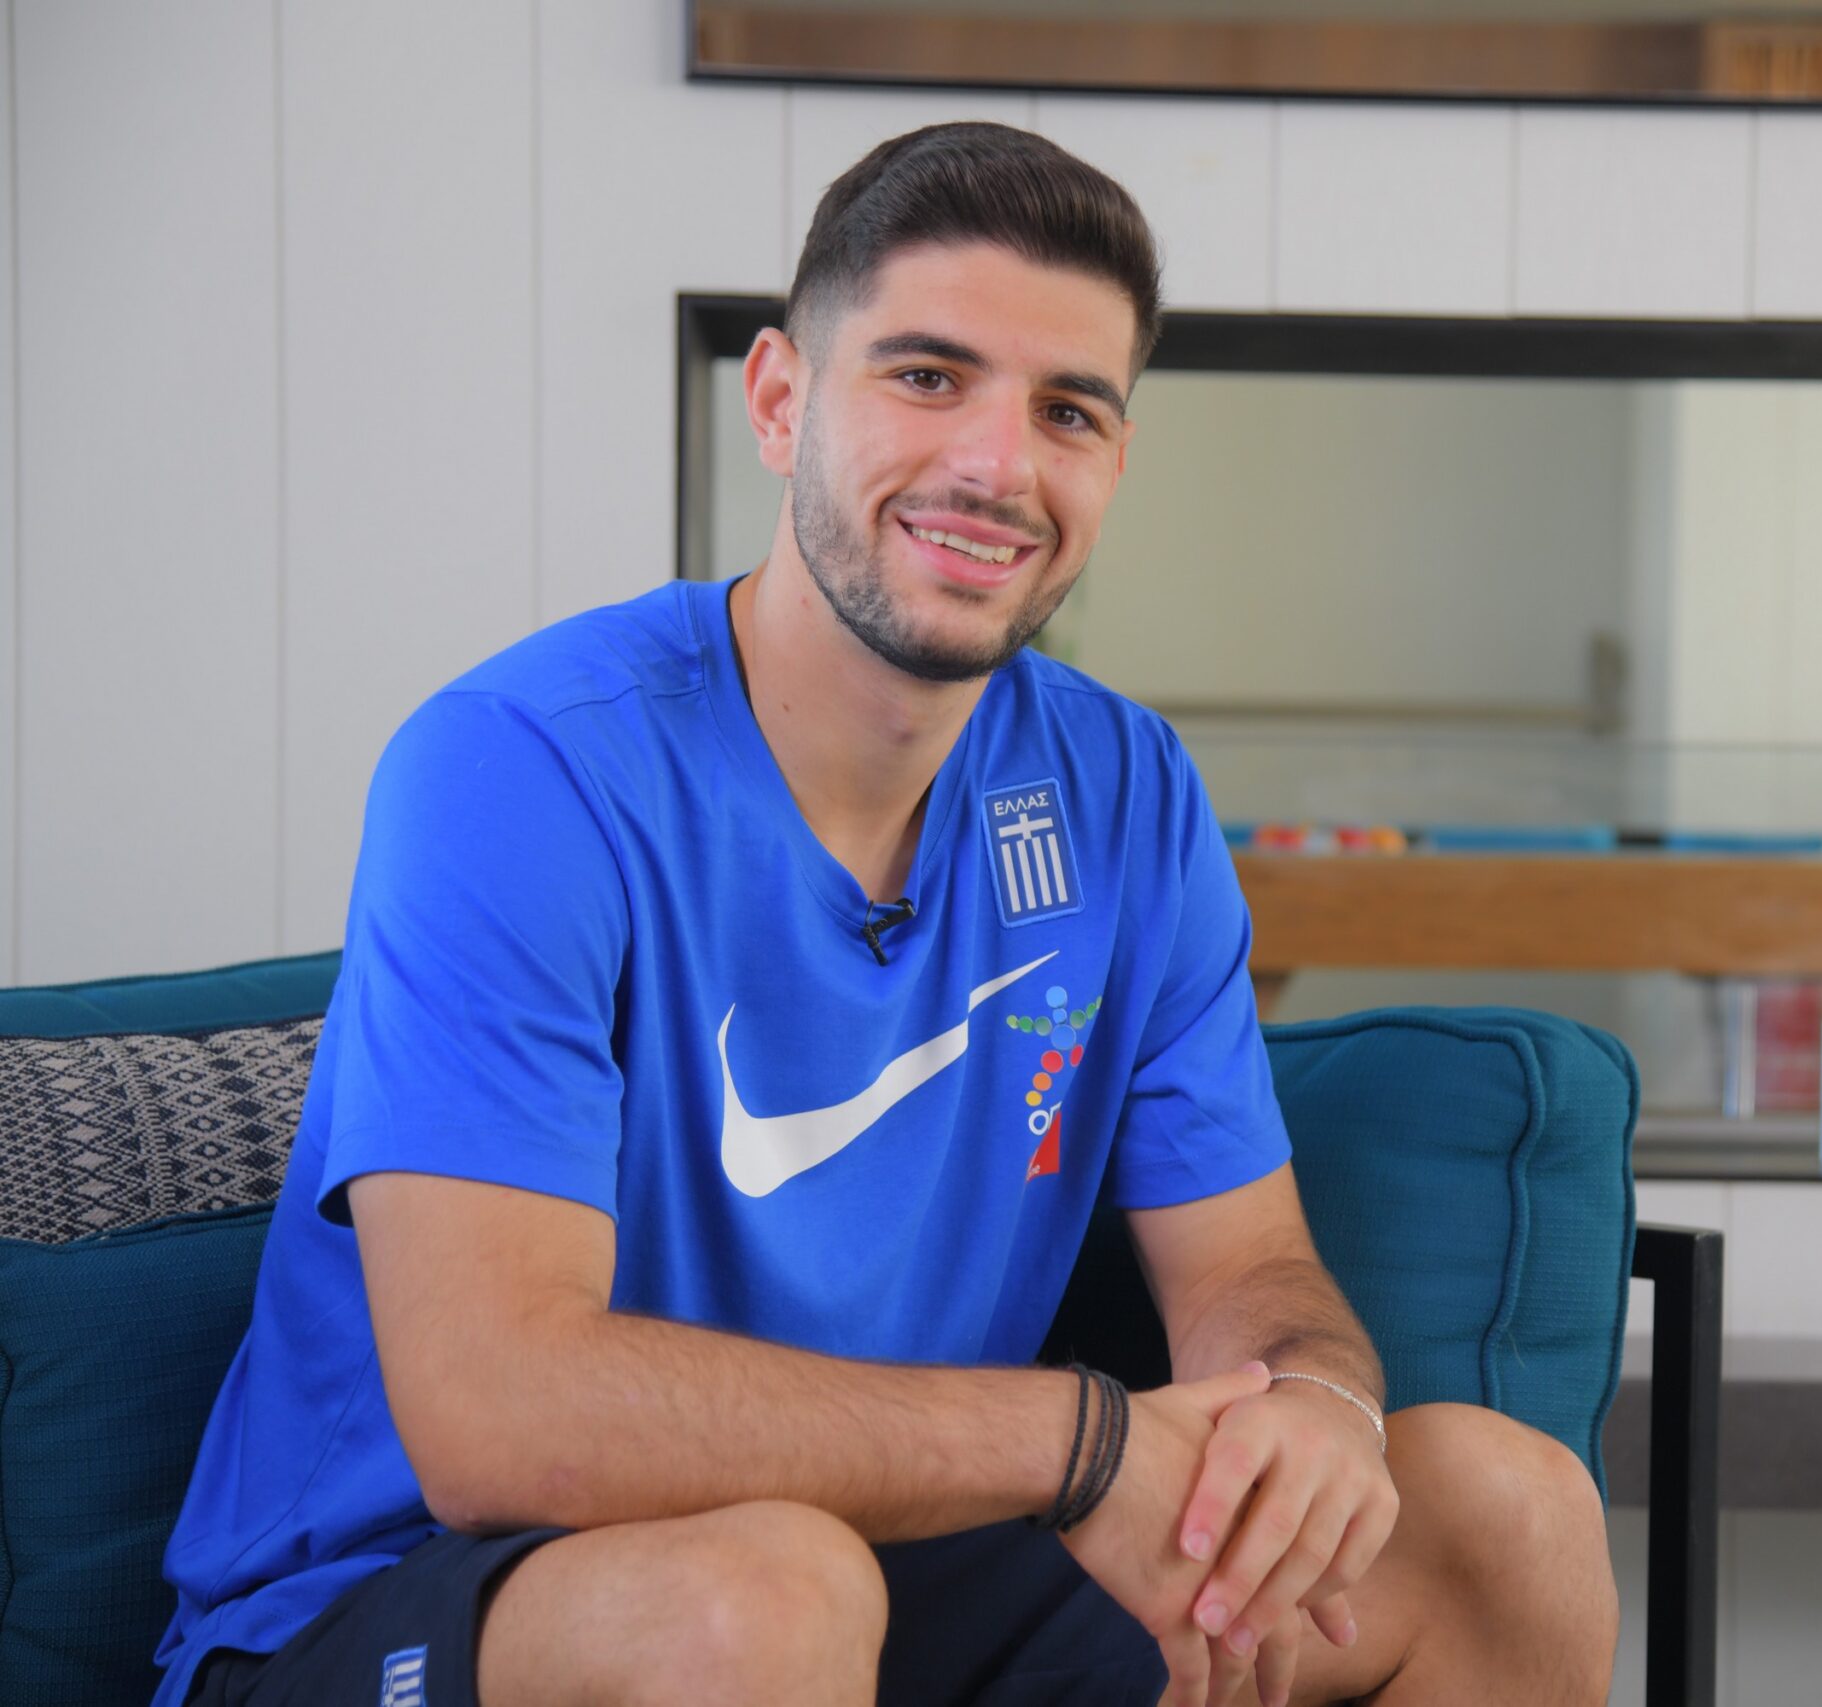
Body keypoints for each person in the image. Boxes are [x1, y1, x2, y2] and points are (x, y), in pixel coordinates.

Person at [153, 122, 1615, 1707]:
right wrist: (1084, 1445)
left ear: (1114, 464)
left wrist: (1311, 1408)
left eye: (1068, 411)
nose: (998, 465)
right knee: (763, 1602)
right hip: (406, 1598)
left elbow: (1247, 1268)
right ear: (781, 402)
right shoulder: (522, 768)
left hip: (897, 1554)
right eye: (927, 377)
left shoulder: (1127, 793)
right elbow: (501, 1417)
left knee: (1502, 1517)